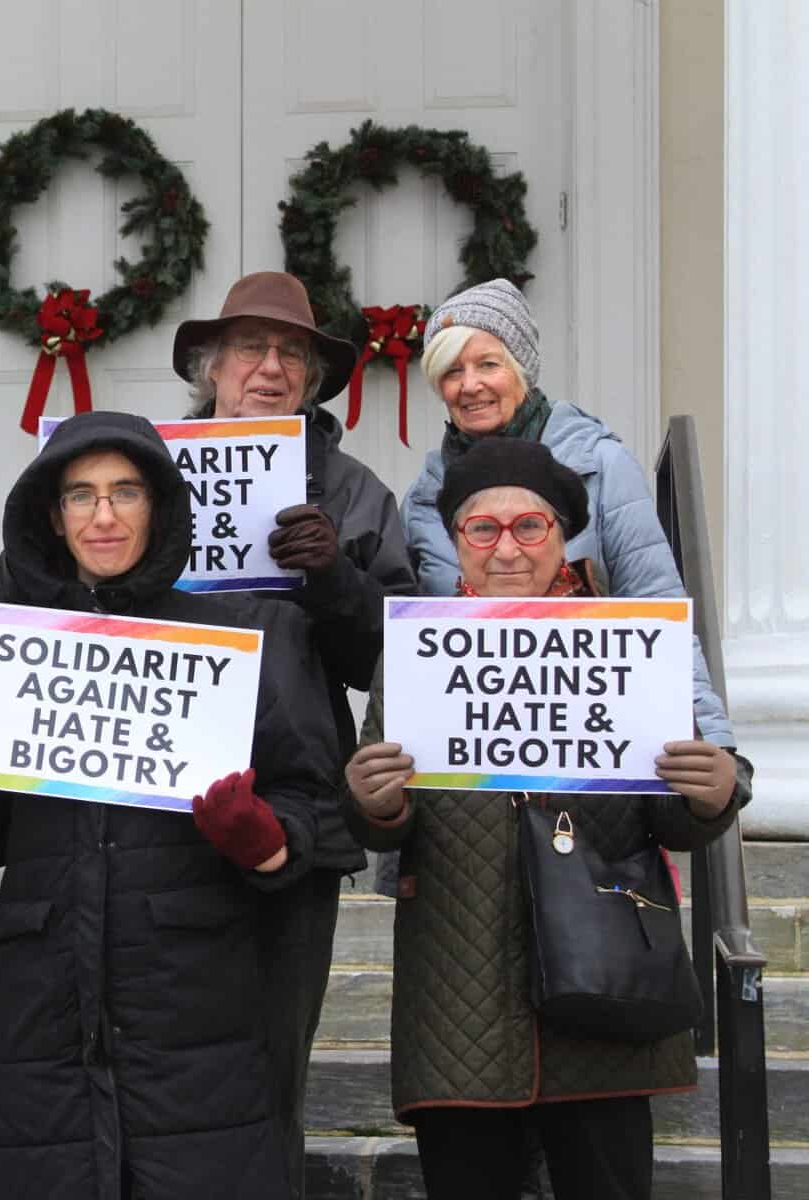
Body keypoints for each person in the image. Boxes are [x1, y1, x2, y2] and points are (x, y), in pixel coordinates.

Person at [0, 410, 342, 1199]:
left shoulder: (237, 638)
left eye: (125, 493)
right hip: (46, 1010)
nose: (102, 516)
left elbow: (315, 807)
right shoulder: (14, 646)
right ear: (53, 515)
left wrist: (267, 841)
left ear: (161, 508)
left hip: (196, 1007)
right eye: (80, 495)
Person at [345, 436, 748, 1199]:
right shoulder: (413, 653)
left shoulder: (626, 645)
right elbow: (386, 821)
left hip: (606, 987)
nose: (506, 548)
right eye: (482, 529)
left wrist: (712, 792)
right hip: (457, 988)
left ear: (563, 537)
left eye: (529, 526)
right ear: (457, 544)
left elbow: (671, 822)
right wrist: (376, 804)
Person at [173, 270, 419, 1197]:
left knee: (271, 1065)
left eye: (291, 354)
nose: (270, 368)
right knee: (167, 1061)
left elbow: (391, 661)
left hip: (296, 814)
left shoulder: (356, 494)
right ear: (211, 366)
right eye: (250, 349)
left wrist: (335, 580)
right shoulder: (145, 472)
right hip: (163, 799)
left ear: (313, 378)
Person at [399, 277, 732, 749]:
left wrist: (714, 744)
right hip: (474, 751)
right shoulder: (422, 499)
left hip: (591, 743)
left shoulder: (601, 466)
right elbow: (412, 647)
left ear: (521, 369)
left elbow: (656, 606)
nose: (469, 385)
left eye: (487, 364)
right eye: (451, 371)